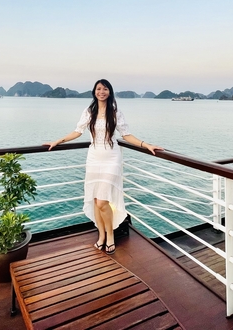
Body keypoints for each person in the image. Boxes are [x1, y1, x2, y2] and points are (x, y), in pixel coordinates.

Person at [44, 79, 163, 255]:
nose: (101, 92)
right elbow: (78, 131)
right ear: (94, 92)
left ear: (109, 92)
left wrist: (146, 145)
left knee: (102, 201)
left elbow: (127, 135)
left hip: (111, 158)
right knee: (95, 200)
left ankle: (110, 236)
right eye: (98, 89)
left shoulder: (115, 112)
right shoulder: (89, 112)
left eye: (105, 89)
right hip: (93, 159)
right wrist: (57, 141)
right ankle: (101, 236)